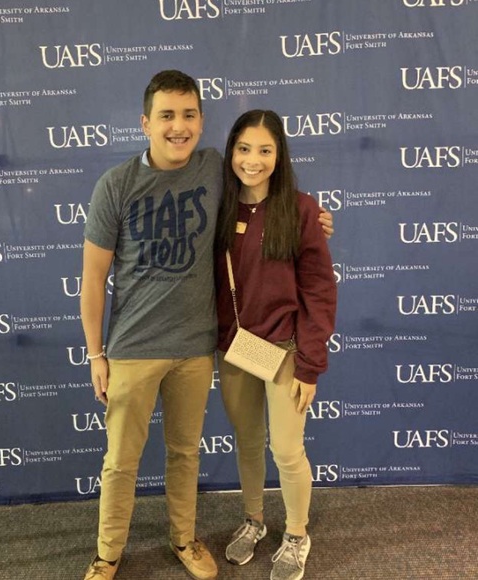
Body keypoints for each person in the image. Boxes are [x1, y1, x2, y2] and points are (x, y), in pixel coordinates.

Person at [80, 71, 334, 580]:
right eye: (167, 116)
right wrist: (95, 353)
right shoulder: (121, 185)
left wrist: (313, 217)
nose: (178, 126)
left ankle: (195, 539)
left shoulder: (217, 172)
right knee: (122, 461)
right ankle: (108, 555)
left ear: (200, 121)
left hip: (206, 348)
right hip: (144, 347)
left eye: (189, 115)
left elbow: (276, 209)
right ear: (145, 123)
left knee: (192, 454)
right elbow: (92, 278)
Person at [214, 110, 337, 580]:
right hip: (236, 349)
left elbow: (319, 290)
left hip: (285, 350)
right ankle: (254, 519)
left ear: (279, 154)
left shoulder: (301, 210)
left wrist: (310, 364)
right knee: (248, 442)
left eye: (265, 150)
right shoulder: (219, 209)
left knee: (286, 449)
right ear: (231, 151)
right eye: (244, 148)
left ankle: (297, 533)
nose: (253, 160)